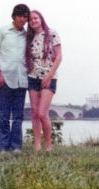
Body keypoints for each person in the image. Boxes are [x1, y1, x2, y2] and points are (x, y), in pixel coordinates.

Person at [0, 4, 30, 153]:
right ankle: (4, 147)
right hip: (5, 78)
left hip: (22, 80)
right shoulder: (2, 31)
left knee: (18, 116)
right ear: (14, 16)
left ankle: (16, 146)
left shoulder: (27, 35)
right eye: (20, 16)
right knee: (4, 115)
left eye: (25, 17)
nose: (22, 19)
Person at [26, 10, 62, 152]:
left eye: (35, 18)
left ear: (41, 18)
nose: (33, 21)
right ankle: (37, 146)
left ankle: (48, 146)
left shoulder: (52, 33)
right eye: (30, 19)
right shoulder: (29, 37)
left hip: (49, 77)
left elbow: (59, 56)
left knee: (42, 113)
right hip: (33, 77)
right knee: (34, 113)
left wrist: (49, 75)